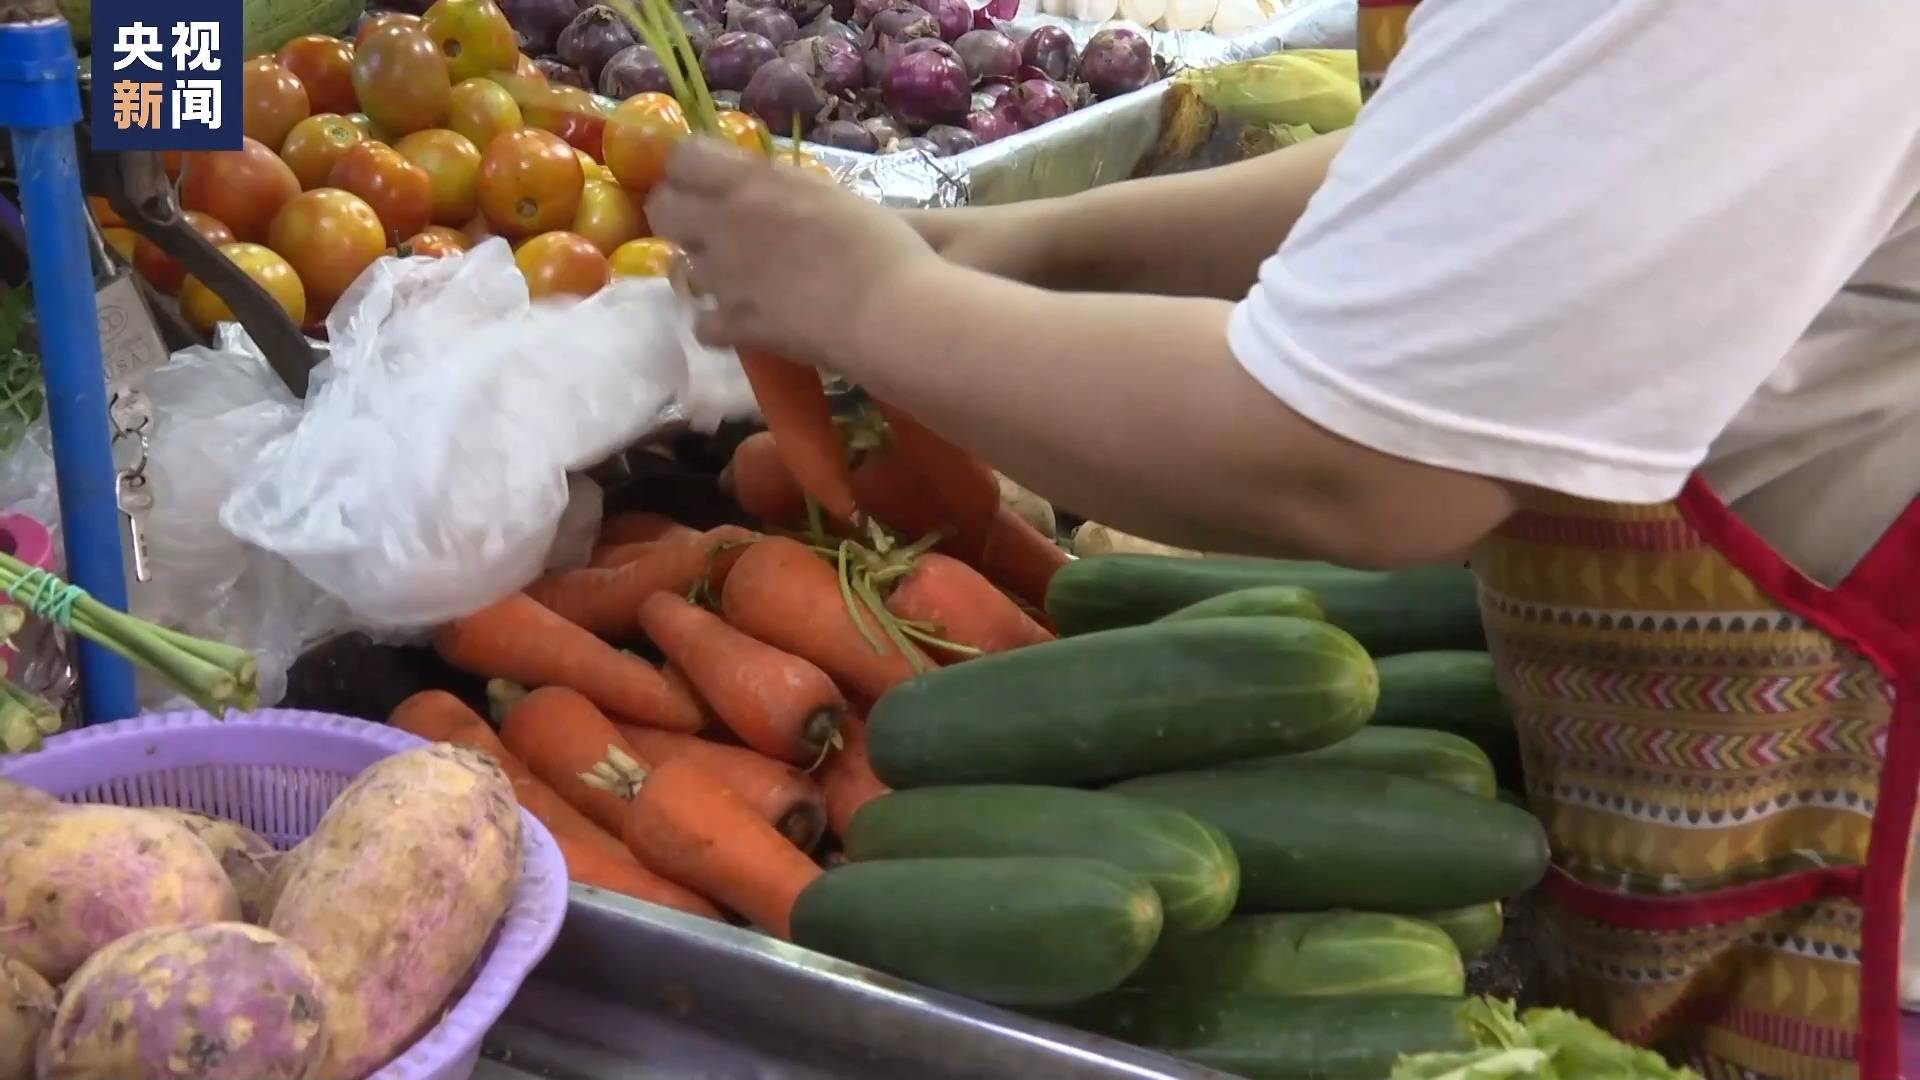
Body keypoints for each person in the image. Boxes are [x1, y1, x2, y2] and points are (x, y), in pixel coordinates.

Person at [646, 2, 1920, 1075]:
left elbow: (1354, 467)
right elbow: (1518, 160)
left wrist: (881, 306)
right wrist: (1044, 246)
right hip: (1710, 791)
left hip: (1866, 888)